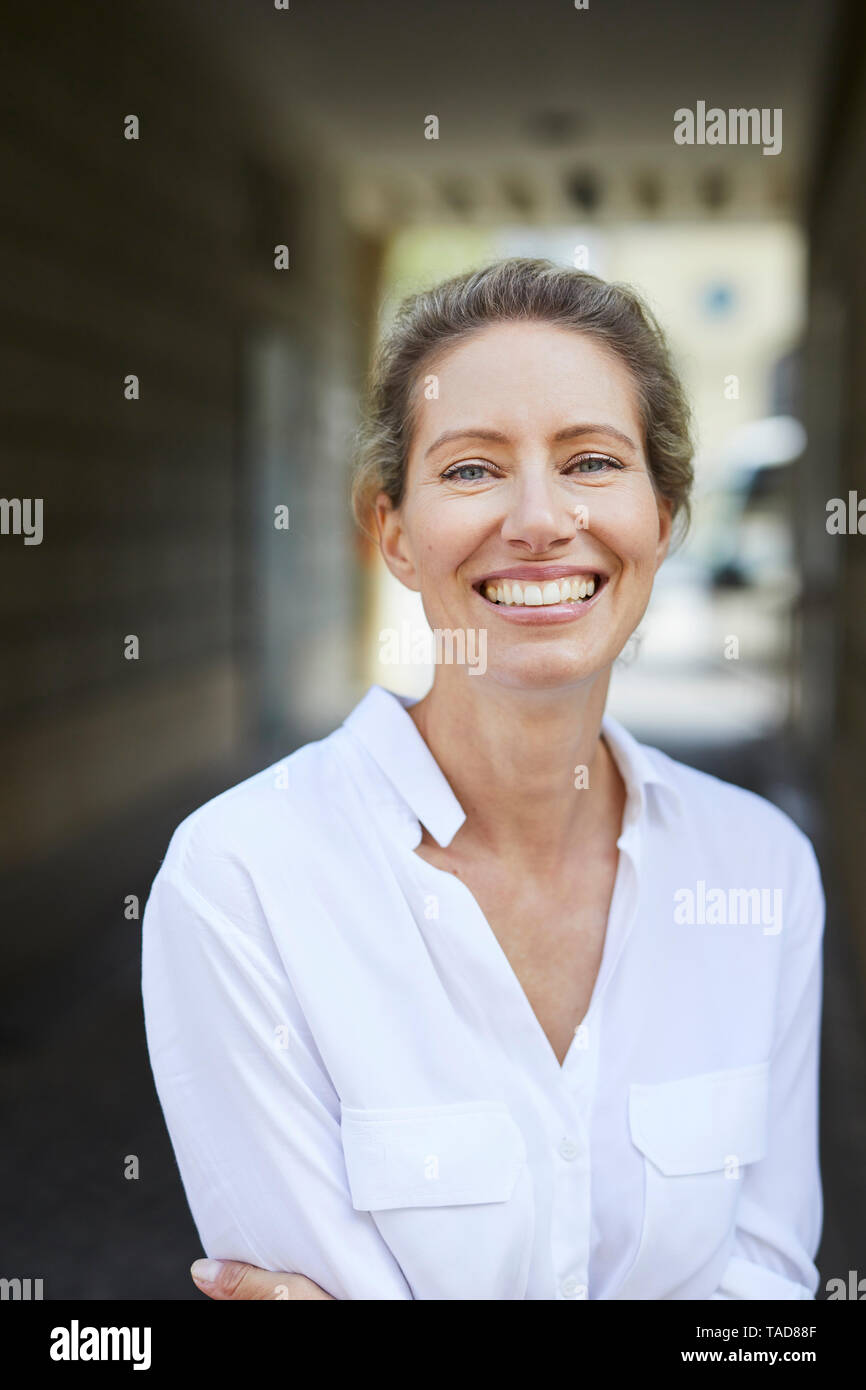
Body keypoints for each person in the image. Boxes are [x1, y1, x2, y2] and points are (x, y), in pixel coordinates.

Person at [142, 258, 824, 1301]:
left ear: (664, 516)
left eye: (591, 460)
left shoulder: (758, 870)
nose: (540, 519)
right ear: (393, 534)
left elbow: (765, 1306)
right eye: (470, 470)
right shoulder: (241, 880)